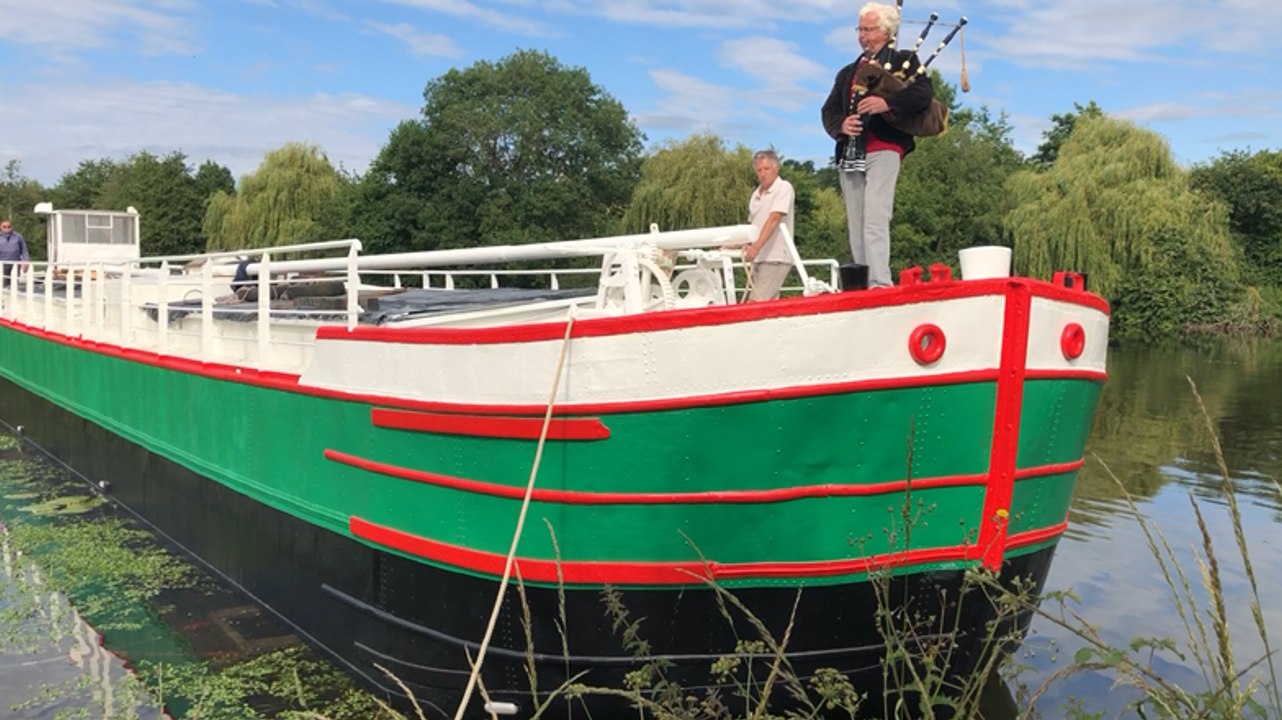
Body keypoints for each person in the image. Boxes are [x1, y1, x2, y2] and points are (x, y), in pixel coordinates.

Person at [821, 2, 933, 288]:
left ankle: (879, 283)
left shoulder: (904, 60)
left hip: (884, 146)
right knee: (856, 221)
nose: (862, 36)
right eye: (860, 29)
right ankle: (860, 282)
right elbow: (829, 110)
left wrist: (887, 103)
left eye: (868, 29)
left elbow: (922, 94)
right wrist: (841, 125)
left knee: (875, 215)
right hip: (850, 151)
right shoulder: (848, 72)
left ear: (886, 31)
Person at [734, 149, 796, 302]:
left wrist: (755, 248)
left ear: (776, 168)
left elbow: (774, 219)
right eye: (759, 170)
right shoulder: (756, 194)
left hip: (775, 257)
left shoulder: (783, 188)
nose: (763, 174)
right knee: (769, 305)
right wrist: (737, 244)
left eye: (766, 169)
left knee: (755, 304)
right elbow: (753, 227)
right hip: (759, 258)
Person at [0, 218, 29, 288]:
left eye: (9, 226)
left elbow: (24, 249)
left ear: (11, 227)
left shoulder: (18, 236)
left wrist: (26, 260)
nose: (7, 228)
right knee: (3, 284)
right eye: (4, 227)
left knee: (14, 285)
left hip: (15, 264)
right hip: (2, 265)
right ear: (1, 227)